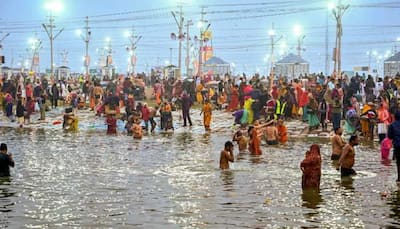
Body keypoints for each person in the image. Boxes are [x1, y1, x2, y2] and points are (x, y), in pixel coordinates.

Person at [388, 112, 400, 182]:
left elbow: (389, 136)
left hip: (397, 146)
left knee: (398, 162)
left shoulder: (392, 125)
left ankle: (399, 178)